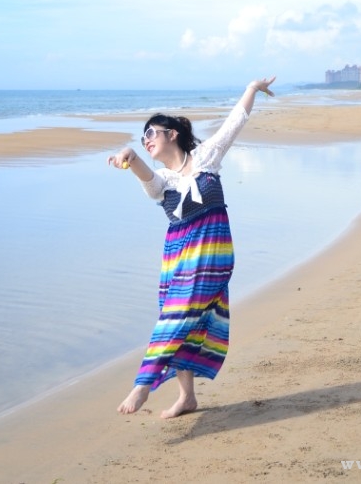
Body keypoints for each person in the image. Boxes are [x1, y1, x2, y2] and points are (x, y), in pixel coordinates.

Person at [107, 77, 276, 418]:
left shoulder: (206, 157)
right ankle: (187, 398)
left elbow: (235, 122)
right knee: (178, 319)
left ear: (172, 134)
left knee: (179, 315)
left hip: (212, 253)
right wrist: (130, 156)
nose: (146, 140)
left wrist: (252, 88)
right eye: (142, 138)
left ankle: (143, 384)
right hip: (178, 259)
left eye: (151, 133)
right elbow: (146, 177)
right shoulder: (162, 182)